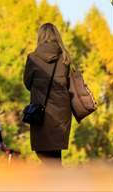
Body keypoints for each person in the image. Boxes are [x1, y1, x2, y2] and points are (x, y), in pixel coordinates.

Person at [24, 23, 72, 165]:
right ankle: (59, 184)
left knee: (44, 155)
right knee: (56, 156)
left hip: (41, 112)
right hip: (61, 113)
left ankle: (56, 184)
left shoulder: (33, 58)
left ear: (40, 36)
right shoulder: (65, 58)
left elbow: (27, 83)